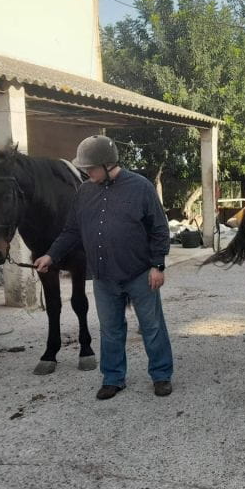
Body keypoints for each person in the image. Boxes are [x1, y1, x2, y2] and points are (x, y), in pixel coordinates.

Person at [34, 135, 173, 400]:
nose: (87, 173)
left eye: (91, 168)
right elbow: (71, 230)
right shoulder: (84, 192)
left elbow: (159, 228)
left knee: (153, 327)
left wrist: (157, 265)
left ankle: (161, 375)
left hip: (140, 273)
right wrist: (51, 255)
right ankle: (113, 378)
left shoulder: (141, 187)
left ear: (108, 165)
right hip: (103, 277)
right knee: (110, 330)